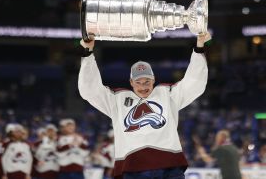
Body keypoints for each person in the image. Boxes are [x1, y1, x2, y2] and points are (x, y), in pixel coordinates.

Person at [78, 32, 210, 179]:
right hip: (133, 168)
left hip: (168, 166)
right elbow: (90, 90)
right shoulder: (117, 100)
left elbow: (194, 83)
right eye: (138, 82)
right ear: (131, 83)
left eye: (147, 82)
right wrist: (88, 52)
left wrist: (199, 47)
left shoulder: (167, 94)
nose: (143, 87)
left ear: (153, 80)